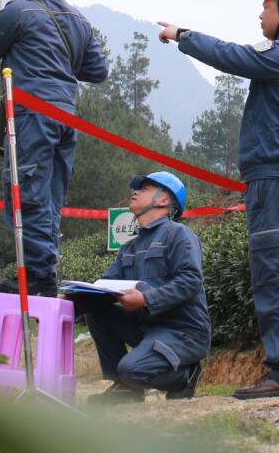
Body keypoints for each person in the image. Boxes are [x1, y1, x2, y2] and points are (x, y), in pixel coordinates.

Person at [157, 0, 279, 399]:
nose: (260, 14)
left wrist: (183, 35)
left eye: (267, 6)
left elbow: (234, 57)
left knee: (278, 276)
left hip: (277, 183)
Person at [0, 0, 109, 297]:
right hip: (66, 119)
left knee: (27, 191)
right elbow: (97, 70)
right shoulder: (80, 22)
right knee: (50, 196)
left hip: (34, 116)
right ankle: (43, 270)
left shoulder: (19, 12)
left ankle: (38, 278)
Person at [83, 171, 211, 404]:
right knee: (97, 311)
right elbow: (102, 289)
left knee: (132, 369)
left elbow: (191, 280)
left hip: (183, 331)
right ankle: (124, 389)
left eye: (144, 189)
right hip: (148, 327)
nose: (135, 192)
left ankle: (184, 376)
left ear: (163, 200)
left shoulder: (179, 235)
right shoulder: (129, 247)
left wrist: (146, 299)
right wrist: (66, 305)